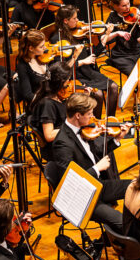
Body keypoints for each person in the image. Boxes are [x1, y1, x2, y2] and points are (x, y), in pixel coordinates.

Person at [49, 93, 133, 230]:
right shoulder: (62, 144)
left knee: (136, 187)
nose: (93, 118)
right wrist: (97, 168)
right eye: (89, 114)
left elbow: (97, 154)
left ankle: (120, 237)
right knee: (120, 220)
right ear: (77, 115)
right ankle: (117, 240)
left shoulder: (85, 130)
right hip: (82, 197)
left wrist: (117, 139)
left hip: (97, 185)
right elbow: (69, 182)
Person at [50, 5, 119, 117]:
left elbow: (93, 55)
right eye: (75, 18)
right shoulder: (57, 39)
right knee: (98, 94)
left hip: (88, 72)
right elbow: (61, 69)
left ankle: (110, 122)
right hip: (74, 76)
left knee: (114, 87)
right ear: (66, 21)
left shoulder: (81, 34)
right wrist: (82, 62)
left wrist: (106, 35)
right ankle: (95, 125)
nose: (78, 21)